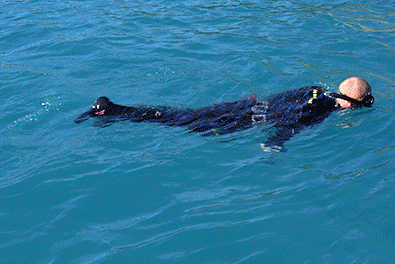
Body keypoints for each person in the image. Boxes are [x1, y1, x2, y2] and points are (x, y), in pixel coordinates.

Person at [74, 76, 373, 149]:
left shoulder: (314, 89)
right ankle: (112, 110)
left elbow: (285, 101)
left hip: (243, 106)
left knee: (180, 115)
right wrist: (276, 142)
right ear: (353, 103)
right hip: (243, 120)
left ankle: (114, 109)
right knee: (178, 123)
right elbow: (299, 121)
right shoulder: (324, 107)